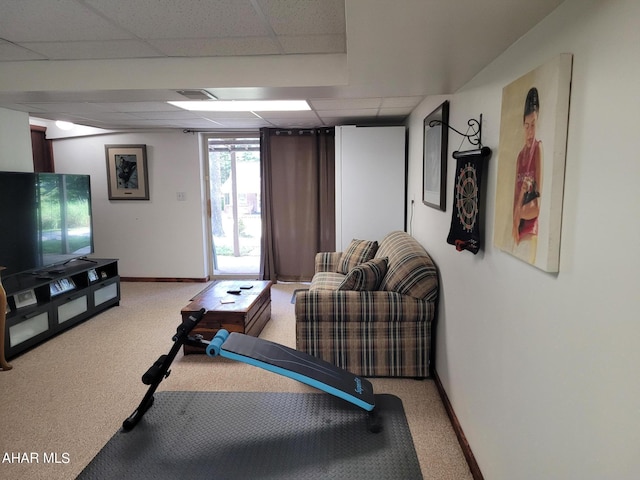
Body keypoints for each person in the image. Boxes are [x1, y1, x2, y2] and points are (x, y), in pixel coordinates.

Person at [512, 87, 542, 263]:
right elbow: (516, 198)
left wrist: (520, 213)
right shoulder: (520, 157)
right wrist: (515, 222)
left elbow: (538, 205)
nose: (530, 132)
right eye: (526, 126)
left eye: (534, 125)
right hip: (518, 230)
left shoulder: (538, 150)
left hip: (532, 231)